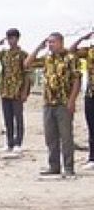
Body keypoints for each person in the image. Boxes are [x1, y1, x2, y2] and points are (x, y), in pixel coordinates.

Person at [25, 33, 82, 177]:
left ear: (61, 42)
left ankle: (68, 167)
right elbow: (27, 64)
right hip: (48, 102)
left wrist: (72, 101)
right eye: (49, 42)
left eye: (53, 42)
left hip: (64, 102)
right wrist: (39, 46)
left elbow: (77, 80)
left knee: (66, 136)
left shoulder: (71, 58)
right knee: (50, 137)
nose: (50, 45)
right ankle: (54, 166)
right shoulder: (47, 58)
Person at [0, 29, 29, 157]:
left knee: (18, 117)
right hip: (5, 90)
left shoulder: (23, 54)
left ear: (18, 38)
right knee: (7, 118)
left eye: (13, 38)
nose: (11, 41)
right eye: (9, 38)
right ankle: (9, 142)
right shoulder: (4, 53)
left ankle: (18, 143)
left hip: (17, 89)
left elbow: (27, 74)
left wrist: (25, 91)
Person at [68, 31, 94, 169]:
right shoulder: (89, 51)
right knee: (91, 127)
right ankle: (92, 158)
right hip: (91, 94)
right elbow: (71, 51)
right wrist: (82, 38)